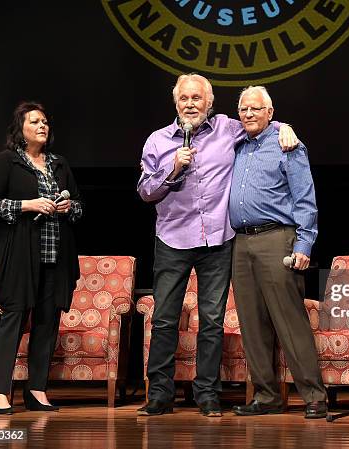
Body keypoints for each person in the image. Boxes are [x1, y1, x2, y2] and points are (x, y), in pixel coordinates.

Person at [136, 74, 298, 417]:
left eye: (197, 98)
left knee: (211, 320)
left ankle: (207, 393)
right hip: (173, 239)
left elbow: (258, 120)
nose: (190, 104)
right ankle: (160, 394)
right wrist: (173, 167)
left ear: (208, 104)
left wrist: (285, 126)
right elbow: (146, 192)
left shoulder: (227, 128)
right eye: (184, 98)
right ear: (175, 103)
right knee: (165, 319)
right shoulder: (158, 140)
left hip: (217, 240)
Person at [229, 86, 327, 419]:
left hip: (277, 238)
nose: (249, 114)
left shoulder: (288, 144)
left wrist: (304, 243)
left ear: (270, 112)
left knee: (289, 320)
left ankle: (314, 396)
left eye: (256, 108)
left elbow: (305, 198)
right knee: (252, 324)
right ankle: (266, 395)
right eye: (243, 109)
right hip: (240, 242)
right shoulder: (236, 145)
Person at [0, 101, 83, 414]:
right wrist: (28, 205)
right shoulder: (8, 162)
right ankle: (1, 392)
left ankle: (37, 390)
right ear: (20, 129)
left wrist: (69, 208)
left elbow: (79, 205)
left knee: (47, 322)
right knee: (13, 319)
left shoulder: (59, 164)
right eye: (35, 121)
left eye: (46, 122)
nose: (43, 126)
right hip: (20, 257)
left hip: (56, 258)